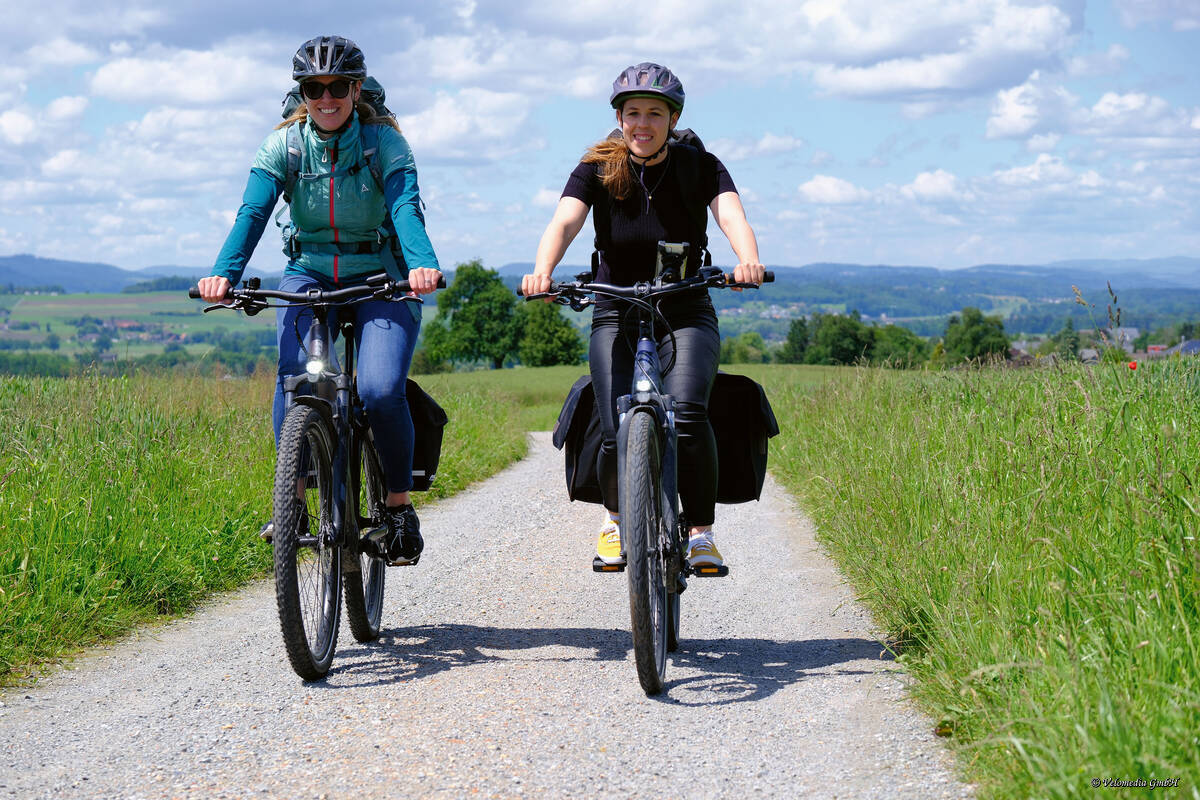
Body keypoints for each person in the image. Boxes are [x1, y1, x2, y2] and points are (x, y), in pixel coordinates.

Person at [198, 35, 441, 565]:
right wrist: (224, 274)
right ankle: (296, 505)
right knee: (297, 377)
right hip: (308, 272)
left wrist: (421, 264)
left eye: (336, 87)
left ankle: (398, 508)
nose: (325, 97)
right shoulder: (283, 146)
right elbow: (252, 215)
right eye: (313, 87)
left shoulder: (385, 144)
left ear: (356, 89)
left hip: (383, 276)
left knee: (378, 390)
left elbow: (405, 208)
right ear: (302, 93)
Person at [522, 62, 765, 570]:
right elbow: (565, 219)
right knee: (614, 427)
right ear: (619, 116)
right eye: (633, 113)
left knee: (690, 413)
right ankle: (614, 519)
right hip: (616, 305)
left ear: (672, 120)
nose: (643, 123)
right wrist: (542, 270)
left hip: (684, 304)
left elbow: (730, 214)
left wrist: (747, 261)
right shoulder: (596, 166)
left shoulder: (701, 165)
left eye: (655, 113)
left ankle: (700, 532)